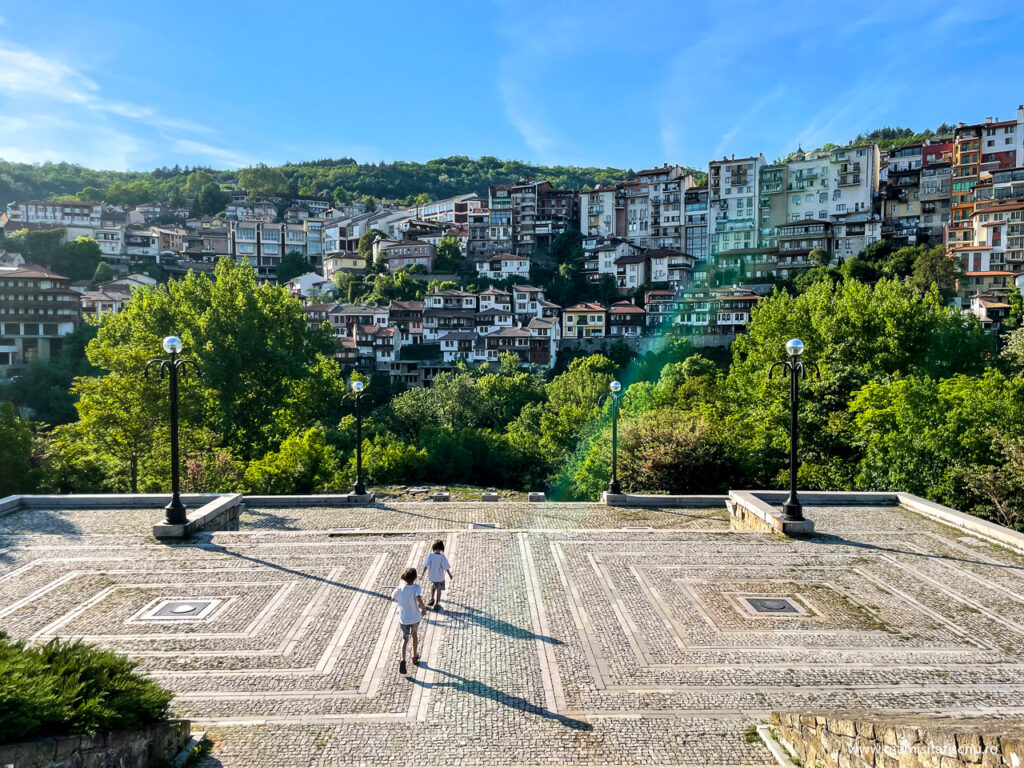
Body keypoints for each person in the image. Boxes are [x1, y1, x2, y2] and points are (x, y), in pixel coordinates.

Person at [391, 566, 427, 674]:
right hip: (414, 617)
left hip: (404, 618)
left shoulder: (400, 588)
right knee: (414, 636)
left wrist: (401, 599)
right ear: (415, 577)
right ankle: (415, 656)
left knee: (405, 640)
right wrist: (423, 608)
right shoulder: (416, 587)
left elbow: (393, 597)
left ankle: (403, 659)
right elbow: (418, 597)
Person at [423, 539, 454, 611]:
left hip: (432, 576)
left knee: (433, 588)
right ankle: (437, 604)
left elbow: (426, 565)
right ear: (441, 548)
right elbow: (446, 567)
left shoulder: (430, 555)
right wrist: (450, 575)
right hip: (440, 577)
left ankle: (432, 599)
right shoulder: (442, 557)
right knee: (439, 590)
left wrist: (422, 574)